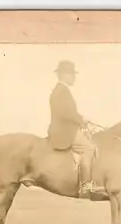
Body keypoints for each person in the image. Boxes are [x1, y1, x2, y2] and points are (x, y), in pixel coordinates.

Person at [47, 60, 97, 197]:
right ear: (64, 75)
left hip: (64, 128)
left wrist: (82, 120)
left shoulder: (61, 90)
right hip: (64, 131)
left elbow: (69, 112)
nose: (74, 78)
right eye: (72, 74)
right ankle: (85, 186)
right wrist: (81, 122)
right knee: (89, 148)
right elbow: (66, 113)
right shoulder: (61, 91)